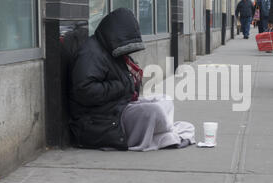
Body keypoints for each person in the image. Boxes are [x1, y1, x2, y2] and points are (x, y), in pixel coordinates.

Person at [69, 8, 195, 151]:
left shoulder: (111, 50)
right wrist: (121, 85)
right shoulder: (90, 53)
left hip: (116, 108)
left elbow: (123, 86)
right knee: (153, 111)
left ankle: (161, 130)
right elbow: (84, 91)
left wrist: (129, 84)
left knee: (165, 100)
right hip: (100, 120)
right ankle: (164, 131)